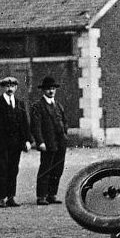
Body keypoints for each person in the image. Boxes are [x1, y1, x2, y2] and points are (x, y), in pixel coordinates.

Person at [0, 76, 31, 208]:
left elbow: (24, 124)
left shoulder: (20, 104)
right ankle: (1, 197)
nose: (10, 88)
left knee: (13, 169)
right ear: (3, 88)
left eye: (12, 86)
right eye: (7, 86)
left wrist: (27, 140)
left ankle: (11, 197)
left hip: (16, 144)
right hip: (0, 143)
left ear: (16, 88)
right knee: (1, 169)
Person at [30, 76, 69, 205]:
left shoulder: (58, 105)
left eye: (53, 89)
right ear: (43, 90)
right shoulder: (38, 106)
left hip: (60, 143)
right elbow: (36, 126)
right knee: (45, 169)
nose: (51, 91)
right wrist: (40, 141)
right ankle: (41, 196)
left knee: (58, 169)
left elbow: (64, 122)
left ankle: (52, 194)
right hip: (48, 143)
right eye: (48, 89)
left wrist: (64, 135)